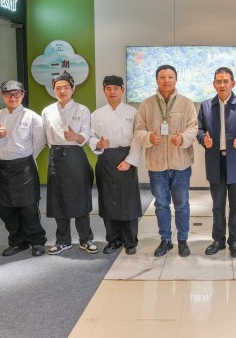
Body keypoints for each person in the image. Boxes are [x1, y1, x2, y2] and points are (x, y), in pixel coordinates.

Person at [134, 65, 198, 258]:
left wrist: (183, 138)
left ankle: (183, 240)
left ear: (176, 79)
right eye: (162, 77)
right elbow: (139, 130)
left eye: (170, 77)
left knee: (182, 204)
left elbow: (193, 128)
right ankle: (165, 240)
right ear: (157, 80)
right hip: (157, 165)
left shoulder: (186, 103)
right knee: (161, 205)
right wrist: (149, 137)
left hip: (181, 164)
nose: (167, 80)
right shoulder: (146, 105)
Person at [0, 81, 47, 257]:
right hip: (1, 166)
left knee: (28, 207)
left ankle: (37, 241)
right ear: (2, 95)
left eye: (17, 94)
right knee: (4, 207)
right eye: (8, 94)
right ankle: (17, 241)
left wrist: (26, 157)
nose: (12, 97)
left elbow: (40, 142)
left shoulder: (32, 117)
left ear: (22, 95)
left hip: (24, 166)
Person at [197, 67, 236, 258]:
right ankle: (218, 240)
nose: (222, 85)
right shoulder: (206, 106)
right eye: (218, 81)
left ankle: (234, 241)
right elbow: (199, 130)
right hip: (215, 161)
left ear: (233, 83)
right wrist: (203, 140)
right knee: (217, 204)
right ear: (214, 84)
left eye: (226, 81)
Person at [42, 72, 98, 255]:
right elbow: (45, 137)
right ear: (53, 90)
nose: (62, 91)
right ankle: (62, 240)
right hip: (55, 156)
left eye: (66, 87)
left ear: (73, 89)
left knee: (81, 198)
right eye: (58, 88)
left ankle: (86, 239)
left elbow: (86, 135)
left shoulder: (82, 110)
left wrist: (75, 137)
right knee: (58, 200)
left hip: (76, 156)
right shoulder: (47, 111)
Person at [89, 76, 143, 255]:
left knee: (127, 201)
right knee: (107, 201)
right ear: (104, 90)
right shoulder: (96, 114)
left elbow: (138, 138)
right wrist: (98, 143)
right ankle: (113, 240)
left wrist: (129, 161)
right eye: (108, 88)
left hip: (126, 158)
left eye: (116, 88)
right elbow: (91, 136)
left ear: (122, 90)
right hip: (105, 159)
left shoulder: (132, 112)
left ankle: (130, 241)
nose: (112, 92)